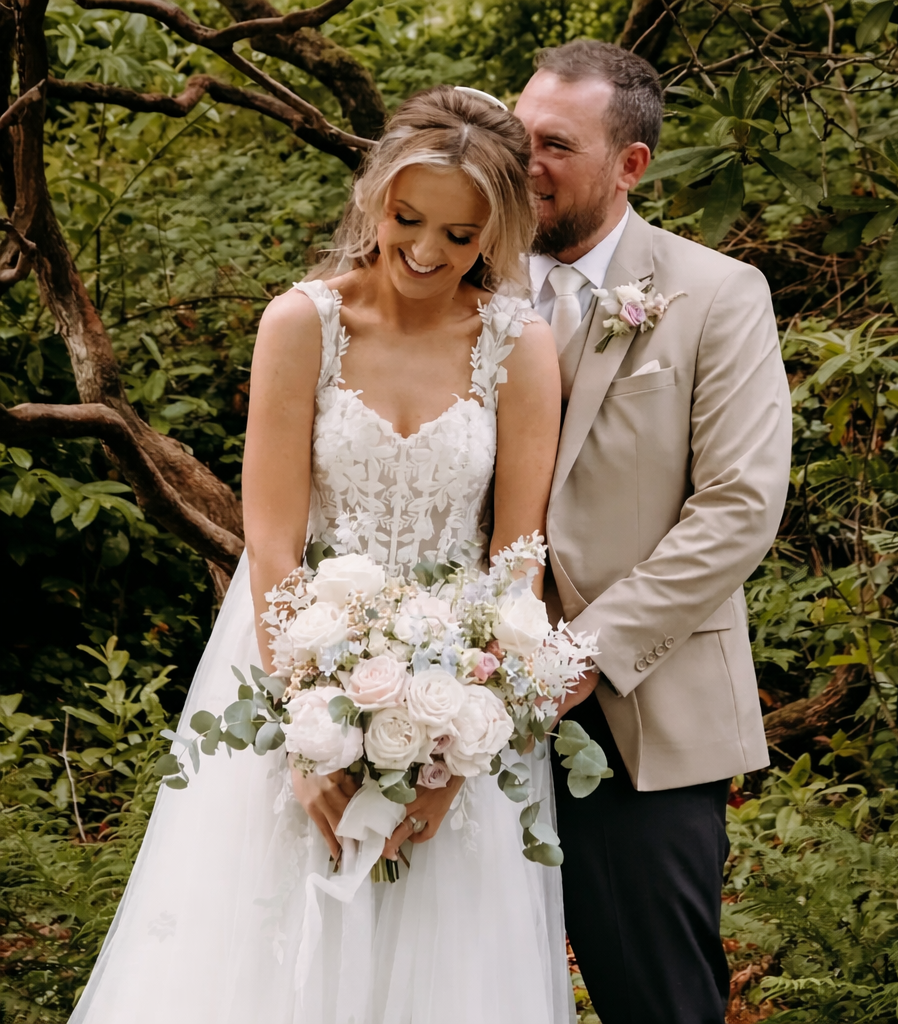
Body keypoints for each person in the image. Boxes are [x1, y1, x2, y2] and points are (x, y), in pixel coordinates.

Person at [69, 86, 574, 1024]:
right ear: (374, 195)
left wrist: (459, 750)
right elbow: (270, 538)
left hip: (460, 681)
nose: (425, 252)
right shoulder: (303, 322)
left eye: (460, 237)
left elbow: (516, 560)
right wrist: (305, 733)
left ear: (495, 235)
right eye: (407, 218)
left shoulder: (519, 345)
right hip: (291, 655)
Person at [515, 41, 792, 1024]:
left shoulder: (716, 294)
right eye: (517, 134)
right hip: (452, 706)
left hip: (641, 709)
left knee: (659, 1001)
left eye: (554, 144)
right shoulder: (459, 280)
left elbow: (738, 506)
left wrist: (583, 652)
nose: (524, 160)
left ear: (630, 164)